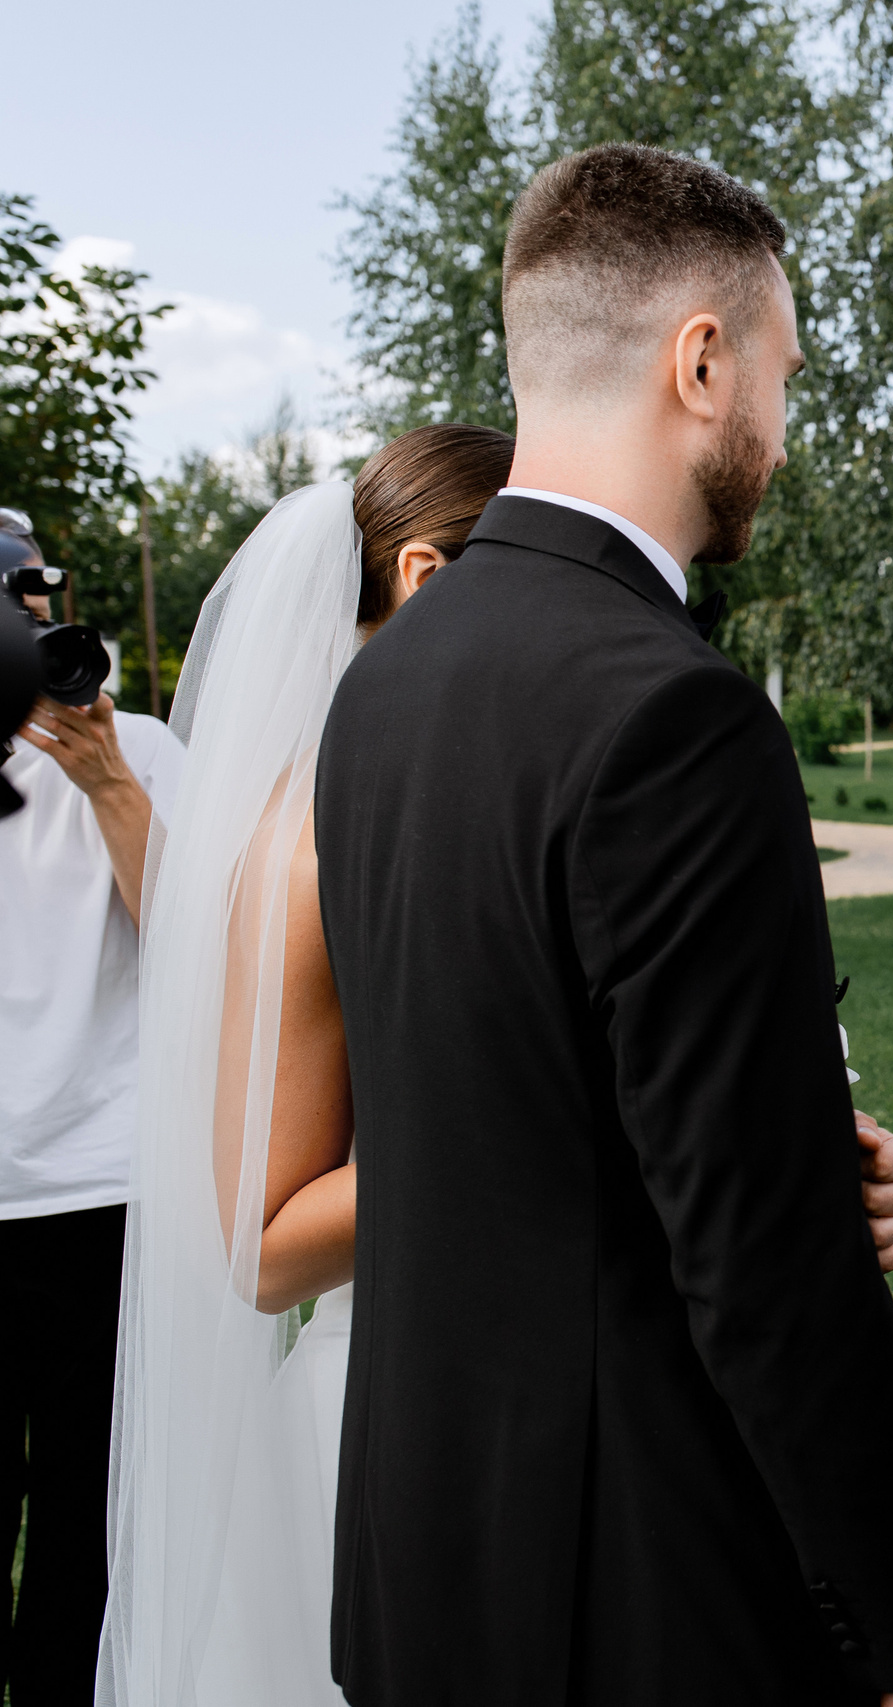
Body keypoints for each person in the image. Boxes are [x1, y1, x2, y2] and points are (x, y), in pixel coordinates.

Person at [313, 145, 893, 1705]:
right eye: (784, 375)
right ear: (700, 359)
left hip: (429, 1566)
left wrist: (793, 1127)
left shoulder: (380, 689)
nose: (783, 431)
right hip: (635, 1594)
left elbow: (506, 1097)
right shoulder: (673, 711)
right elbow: (761, 1268)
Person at [96, 428, 512, 1704]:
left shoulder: (490, 790)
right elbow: (263, 1243)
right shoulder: (310, 841)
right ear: (427, 579)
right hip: (401, 1410)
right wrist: (526, 1108)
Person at [0, 518, 184, 1706]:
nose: (36, 616)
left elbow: (200, 960)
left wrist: (107, 779)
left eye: (39, 593)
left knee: (90, 1522)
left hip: (101, 1199)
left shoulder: (144, 749)